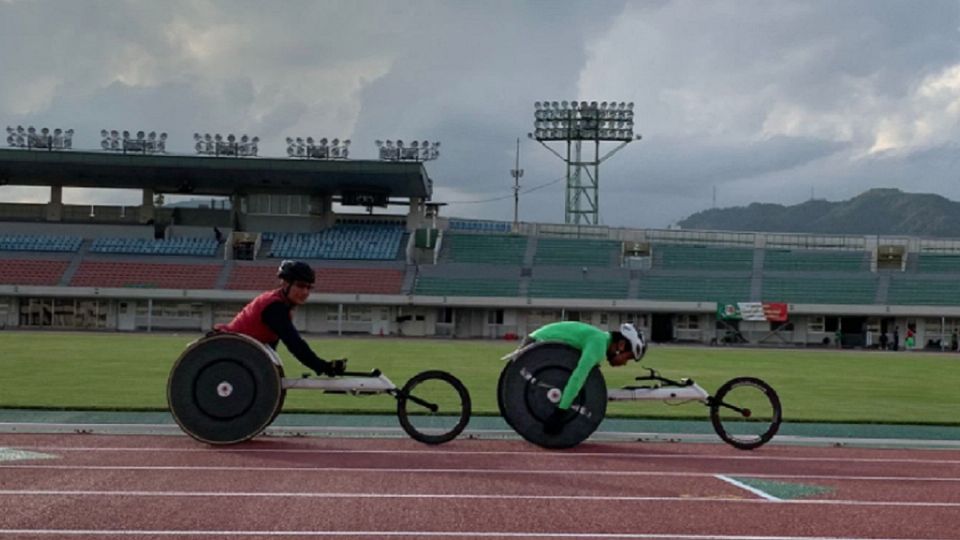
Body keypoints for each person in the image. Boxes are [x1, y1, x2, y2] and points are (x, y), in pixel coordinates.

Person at [216, 260, 345, 377]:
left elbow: (271, 347)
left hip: (244, 354)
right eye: (300, 286)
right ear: (285, 283)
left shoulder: (281, 304)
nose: (305, 292)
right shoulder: (274, 306)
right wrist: (323, 367)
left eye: (309, 287)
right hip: (230, 355)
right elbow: (295, 344)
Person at [520, 321, 647, 434]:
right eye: (628, 357)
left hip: (536, 341)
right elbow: (578, 377)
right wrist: (560, 412)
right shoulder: (598, 344)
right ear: (621, 345)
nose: (624, 363)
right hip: (536, 344)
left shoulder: (600, 338)